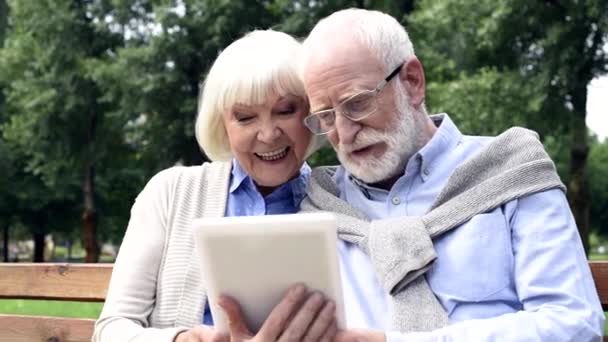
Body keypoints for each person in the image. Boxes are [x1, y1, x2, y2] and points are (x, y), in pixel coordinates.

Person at [296, 8, 604, 341]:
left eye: (356, 104)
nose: (343, 133)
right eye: (326, 117)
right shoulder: (320, 206)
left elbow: (573, 325)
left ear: (412, 82)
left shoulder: (511, 170)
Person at [93, 29, 336, 342]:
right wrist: (180, 340)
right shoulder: (170, 192)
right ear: (222, 124)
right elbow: (111, 328)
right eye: (245, 117)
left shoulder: (342, 195)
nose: (268, 134)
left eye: (285, 110)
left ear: (312, 112)